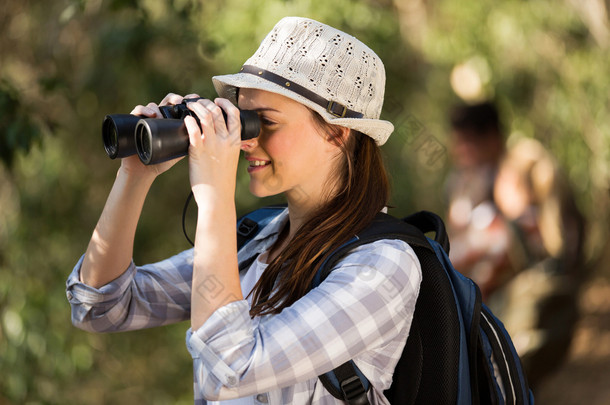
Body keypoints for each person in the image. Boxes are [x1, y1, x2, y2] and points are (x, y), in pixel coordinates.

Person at [66, 17, 421, 404]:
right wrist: (135, 176)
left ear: (337, 132)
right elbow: (100, 307)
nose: (245, 142)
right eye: (242, 120)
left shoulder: (382, 266)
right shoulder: (259, 241)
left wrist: (214, 193)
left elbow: (231, 369)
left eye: (263, 122)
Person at [445, 101, 586, 388]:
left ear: (492, 139)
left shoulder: (518, 177)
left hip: (520, 313)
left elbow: (481, 249)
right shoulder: (468, 181)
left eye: (467, 143)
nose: (460, 152)